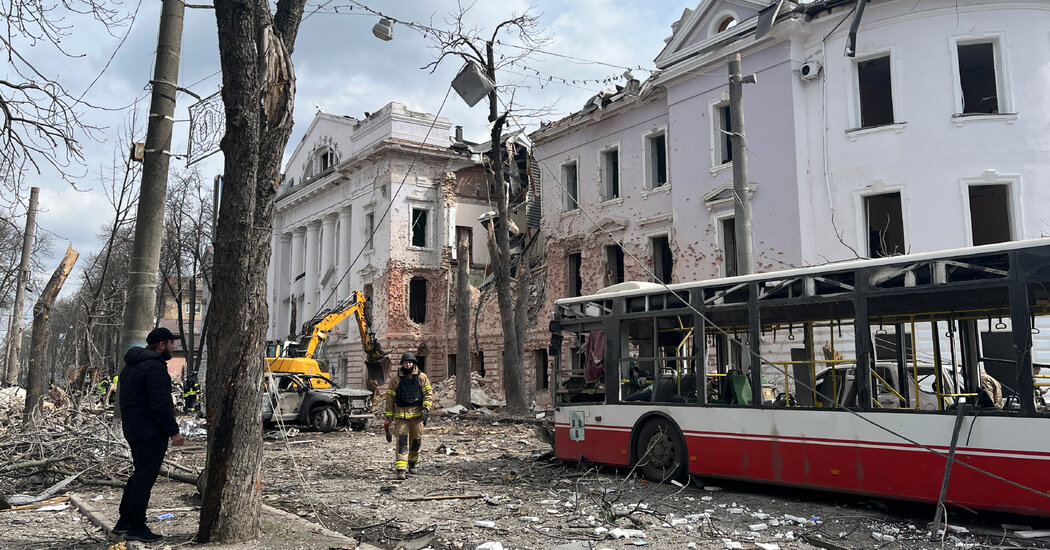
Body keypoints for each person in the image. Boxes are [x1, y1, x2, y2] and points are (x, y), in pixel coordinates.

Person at [113, 327, 185, 543]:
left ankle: (124, 522)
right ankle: (137, 526)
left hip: (134, 430)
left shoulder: (130, 367)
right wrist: (174, 433)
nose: (173, 347)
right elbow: (160, 405)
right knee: (144, 479)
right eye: (171, 343)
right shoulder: (154, 368)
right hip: (150, 432)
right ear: (161, 345)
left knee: (138, 475)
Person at [383, 352, 433, 480]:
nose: (408, 365)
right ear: (402, 364)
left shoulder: (422, 377)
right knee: (402, 442)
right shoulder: (396, 379)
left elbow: (428, 394)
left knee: (416, 442)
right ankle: (401, 469)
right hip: (401, 416)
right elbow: (390, 398)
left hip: (417, 417)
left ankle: (412, 464)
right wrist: (389, 417)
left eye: (410, 363)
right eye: (406, 363)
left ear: (414, 364)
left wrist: (426, 409)